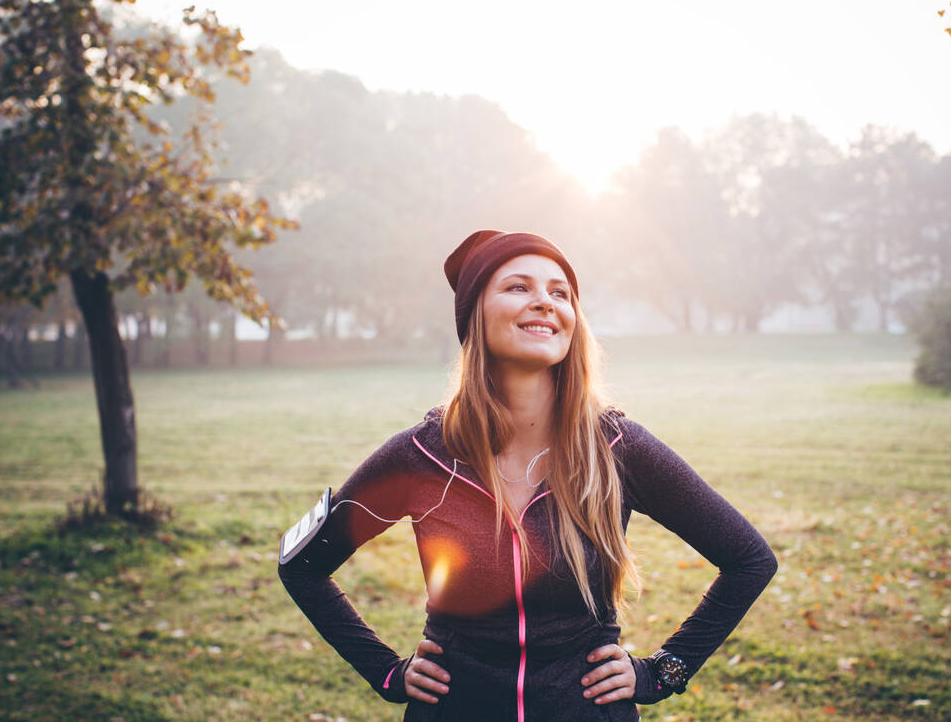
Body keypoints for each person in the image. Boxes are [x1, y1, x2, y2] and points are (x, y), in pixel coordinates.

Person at [278, 230, 778, 722]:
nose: (544, 302)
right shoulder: (422, 455)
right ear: (476, 315)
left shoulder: (618, 449)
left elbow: (749, 559)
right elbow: (302, 566)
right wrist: (386, 673)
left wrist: (664, 671)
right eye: (518, 287)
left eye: (559, 293)